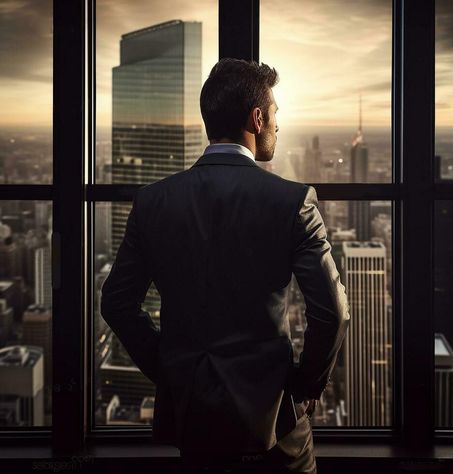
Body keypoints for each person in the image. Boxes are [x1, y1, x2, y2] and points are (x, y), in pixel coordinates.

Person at [100, 58, 350, 473]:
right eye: (274, 115)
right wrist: (304, 386)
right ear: (257, 117)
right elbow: (333, 312)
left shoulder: (154, 201)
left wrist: (170, 369)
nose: (276, 126)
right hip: (272, 423)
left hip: (194, 420)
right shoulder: (292, 201)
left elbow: (117, 304)